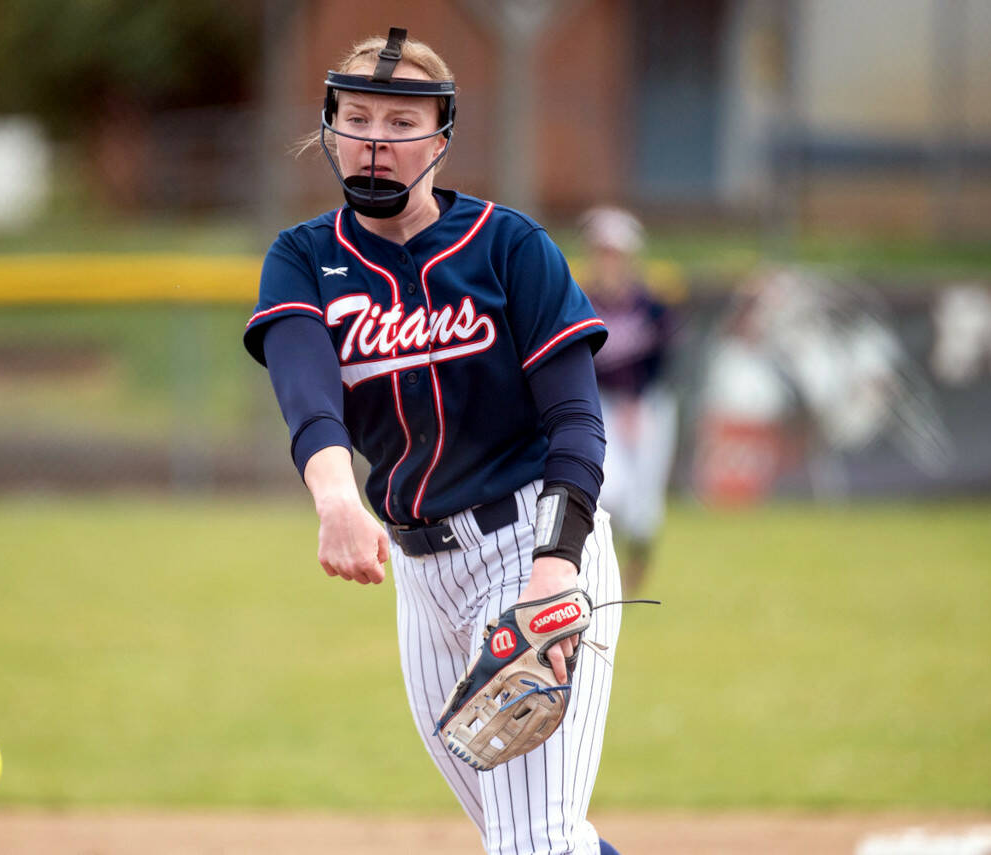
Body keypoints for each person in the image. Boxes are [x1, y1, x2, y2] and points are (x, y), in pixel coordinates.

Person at [243, 28, 628, 855]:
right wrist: (337, 496)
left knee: (534, 842)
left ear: (440, 137)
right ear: (329, 127)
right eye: (357, 117)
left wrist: (553, 572)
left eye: (402, 120)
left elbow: (577, 422)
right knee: (525, 833)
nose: (376, 139)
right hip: (423, 576)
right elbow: (307, 391)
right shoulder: (304, 258)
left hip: (534, 544)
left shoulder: (508, 246)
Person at [579, 208, 678, 596]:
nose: (608, 260)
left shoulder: (652, 303)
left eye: (615, 252)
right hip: (600, 403)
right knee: (608, 490)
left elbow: (665, 359)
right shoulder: (579, 298)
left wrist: (638, 402)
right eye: (601, 251)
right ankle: (601, 571)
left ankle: (635, 576)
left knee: (644, 504)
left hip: (649, 405)